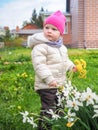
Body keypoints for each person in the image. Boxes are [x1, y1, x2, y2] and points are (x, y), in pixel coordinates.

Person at [27, 10, 77, 130]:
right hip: (46, 85)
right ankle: (44, 127)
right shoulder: (40, 46)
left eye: (54, 29)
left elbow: (65, 60)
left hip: (59, 84)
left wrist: (71, 66)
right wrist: (49, 79)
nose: (49, 31)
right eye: (47, 27)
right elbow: (39, 65)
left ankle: (59, 125)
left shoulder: (62, 48)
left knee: (60, 106)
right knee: (49, 109)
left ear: (61, 33)